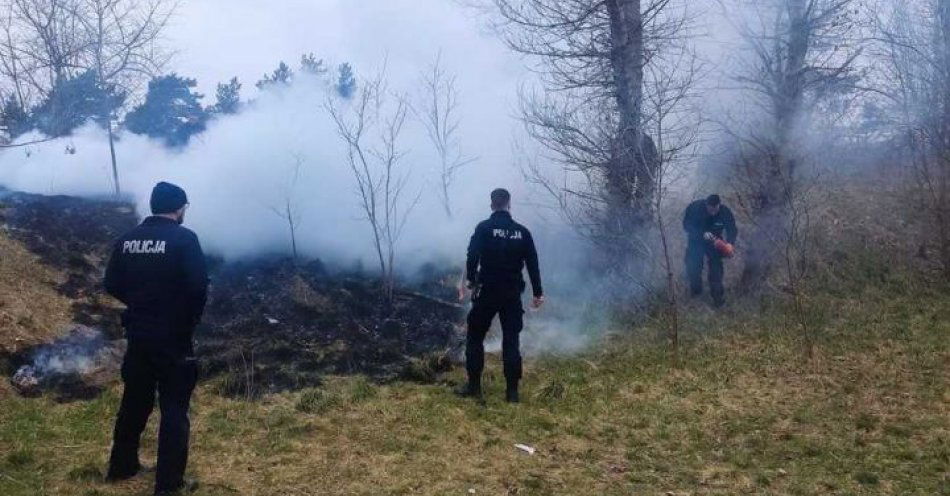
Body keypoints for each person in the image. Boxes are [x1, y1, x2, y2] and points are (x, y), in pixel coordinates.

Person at [104, 182, 208, 495]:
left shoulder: (127, 240)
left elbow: (111, 283)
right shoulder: (185, 239)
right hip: (173, 338)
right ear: (178, 208)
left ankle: (121, 467)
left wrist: (138, 302)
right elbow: (198, 287)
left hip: (138, 334)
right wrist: (187, 319)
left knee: (134, 401)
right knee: (174, 408)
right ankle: (167, 485)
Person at [457, 188, 544, 403]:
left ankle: (474, 387)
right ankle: (512, 394)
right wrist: (538, 292)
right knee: (511, 340)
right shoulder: (522, 232)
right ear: (509, 204)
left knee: (475, 336)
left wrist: (470, 280)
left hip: (487, 291)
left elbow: (472, 255)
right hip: (512, 293)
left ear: (491, 204)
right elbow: (533, 263)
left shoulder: (484, 228)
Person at [682, 194, 738, 307]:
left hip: (715, 242)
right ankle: (696, 294)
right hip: (696, 241)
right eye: (710, 210)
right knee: (694, 266)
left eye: (715, 209)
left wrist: (730, 244)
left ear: (719, 205)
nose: (713, 212)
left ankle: (717, 298)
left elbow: (732, 228)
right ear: (706, 205)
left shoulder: (724, 212)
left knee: (716, 269)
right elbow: (686, 225)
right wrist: (701, 233)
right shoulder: (695, 208)